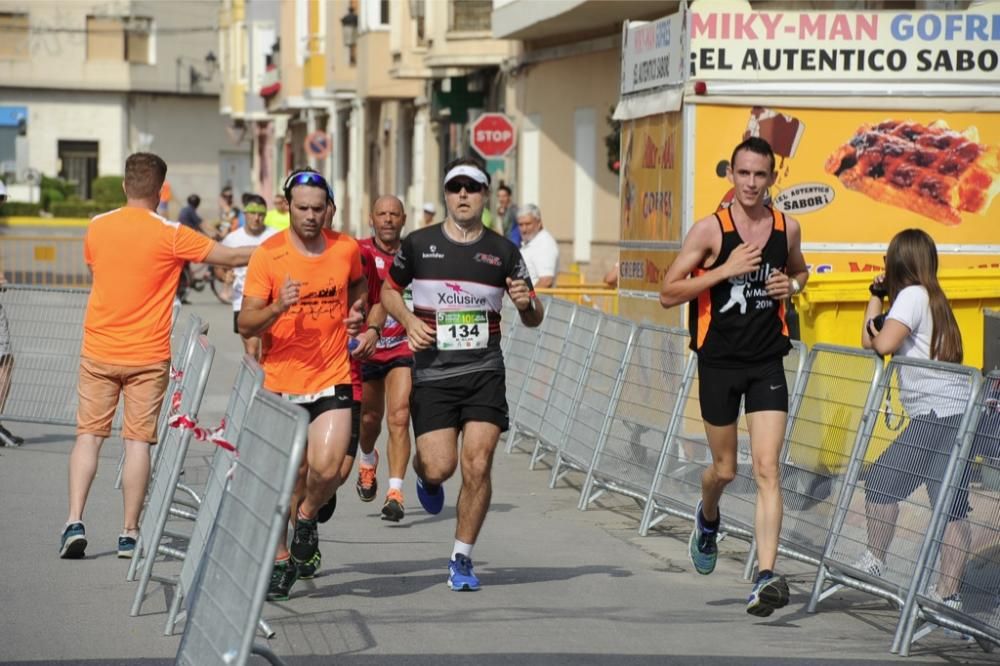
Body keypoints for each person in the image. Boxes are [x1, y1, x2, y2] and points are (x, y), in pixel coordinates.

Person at [61, 153, 255, 560]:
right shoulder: (171, 234)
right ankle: (129, 533)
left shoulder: (97, 227)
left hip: (98, 348)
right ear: (160, 189)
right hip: (147, 356)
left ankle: (74, 521)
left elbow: (97, 269)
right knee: (137, 444)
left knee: (88, 437)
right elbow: (231, 257)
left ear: (124, 185)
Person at [659, 137, 808, 617]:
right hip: (719, 362)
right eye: (743, 174)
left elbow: (802, 273)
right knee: (725, 471)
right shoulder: (710, 230)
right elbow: (668, 292)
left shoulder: (787, 227)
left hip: (766, 360)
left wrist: (793, 284)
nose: (751, 183)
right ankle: (707, 517)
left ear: (772, 178)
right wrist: (724, 269)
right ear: (732, 175)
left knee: (767, 468)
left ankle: (765, 576)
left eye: (760, 175)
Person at [381, 157, 544, 591]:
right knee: (440, 467)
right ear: (446, 194)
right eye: (456, 188)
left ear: (486, 195)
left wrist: (527, 302)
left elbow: (533, 316)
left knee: (478, 463)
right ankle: (424, 477)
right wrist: (408, 322)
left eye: (473, 187)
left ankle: (461, 558)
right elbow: (388, 289)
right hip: (434, 374)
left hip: (483, 372)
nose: (464, 195)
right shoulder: (418, 244)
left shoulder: (504, 252)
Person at [239, 168, 366, 601]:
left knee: (328, 469)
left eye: (318, 209)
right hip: (281, 382)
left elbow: (360, 284)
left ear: (329, 207)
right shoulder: (268, 255)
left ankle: (308, 518)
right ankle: (278, 558)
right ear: (287, 206)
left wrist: (359, 311)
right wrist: (278, 307)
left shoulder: (345, 248)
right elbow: (245, 322)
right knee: (284, 479)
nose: (311, 217)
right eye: (302, 209)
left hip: (331, 374)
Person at [858, 228, 970, 612]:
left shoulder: (910, 296)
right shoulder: (932, 296)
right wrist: (876, 298)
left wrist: (879, 301)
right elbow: (868, 339)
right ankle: (948, 596)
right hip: (954, 412)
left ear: (898, 262)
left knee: (880, 479)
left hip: (937, 415)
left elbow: (881, 343)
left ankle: (875, 559)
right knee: (950, 505)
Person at [351, 195, 413, 522]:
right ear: (371, 219)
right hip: (368, 347)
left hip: (402, 347)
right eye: (382, 214)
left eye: (394, 214)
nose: (388, 219)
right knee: (370, 420)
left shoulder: (413, 253)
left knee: (399, 415)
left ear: (404, 219)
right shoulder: (359, 251)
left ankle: (395, 492)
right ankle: (366, 458)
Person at [221, 194, 276, 358]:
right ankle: (253, 383)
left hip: (270, 301)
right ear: (245, 214)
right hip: (242, 301)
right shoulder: (232, 239)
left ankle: (261, 382)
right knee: (252, 350)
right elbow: (220, 267)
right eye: (253, 213)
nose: (257, 218)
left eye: (261, 214)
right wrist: (225, 276)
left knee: (267, 351)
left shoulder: (276, 237)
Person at [517, 204, 559, 288]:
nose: (524, 229)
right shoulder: (531, 241)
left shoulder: (544, 244)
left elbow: (546, 281)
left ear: (539, 223)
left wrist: (530, 299)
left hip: (536, 300)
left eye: (528, 224)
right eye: (521, 225)